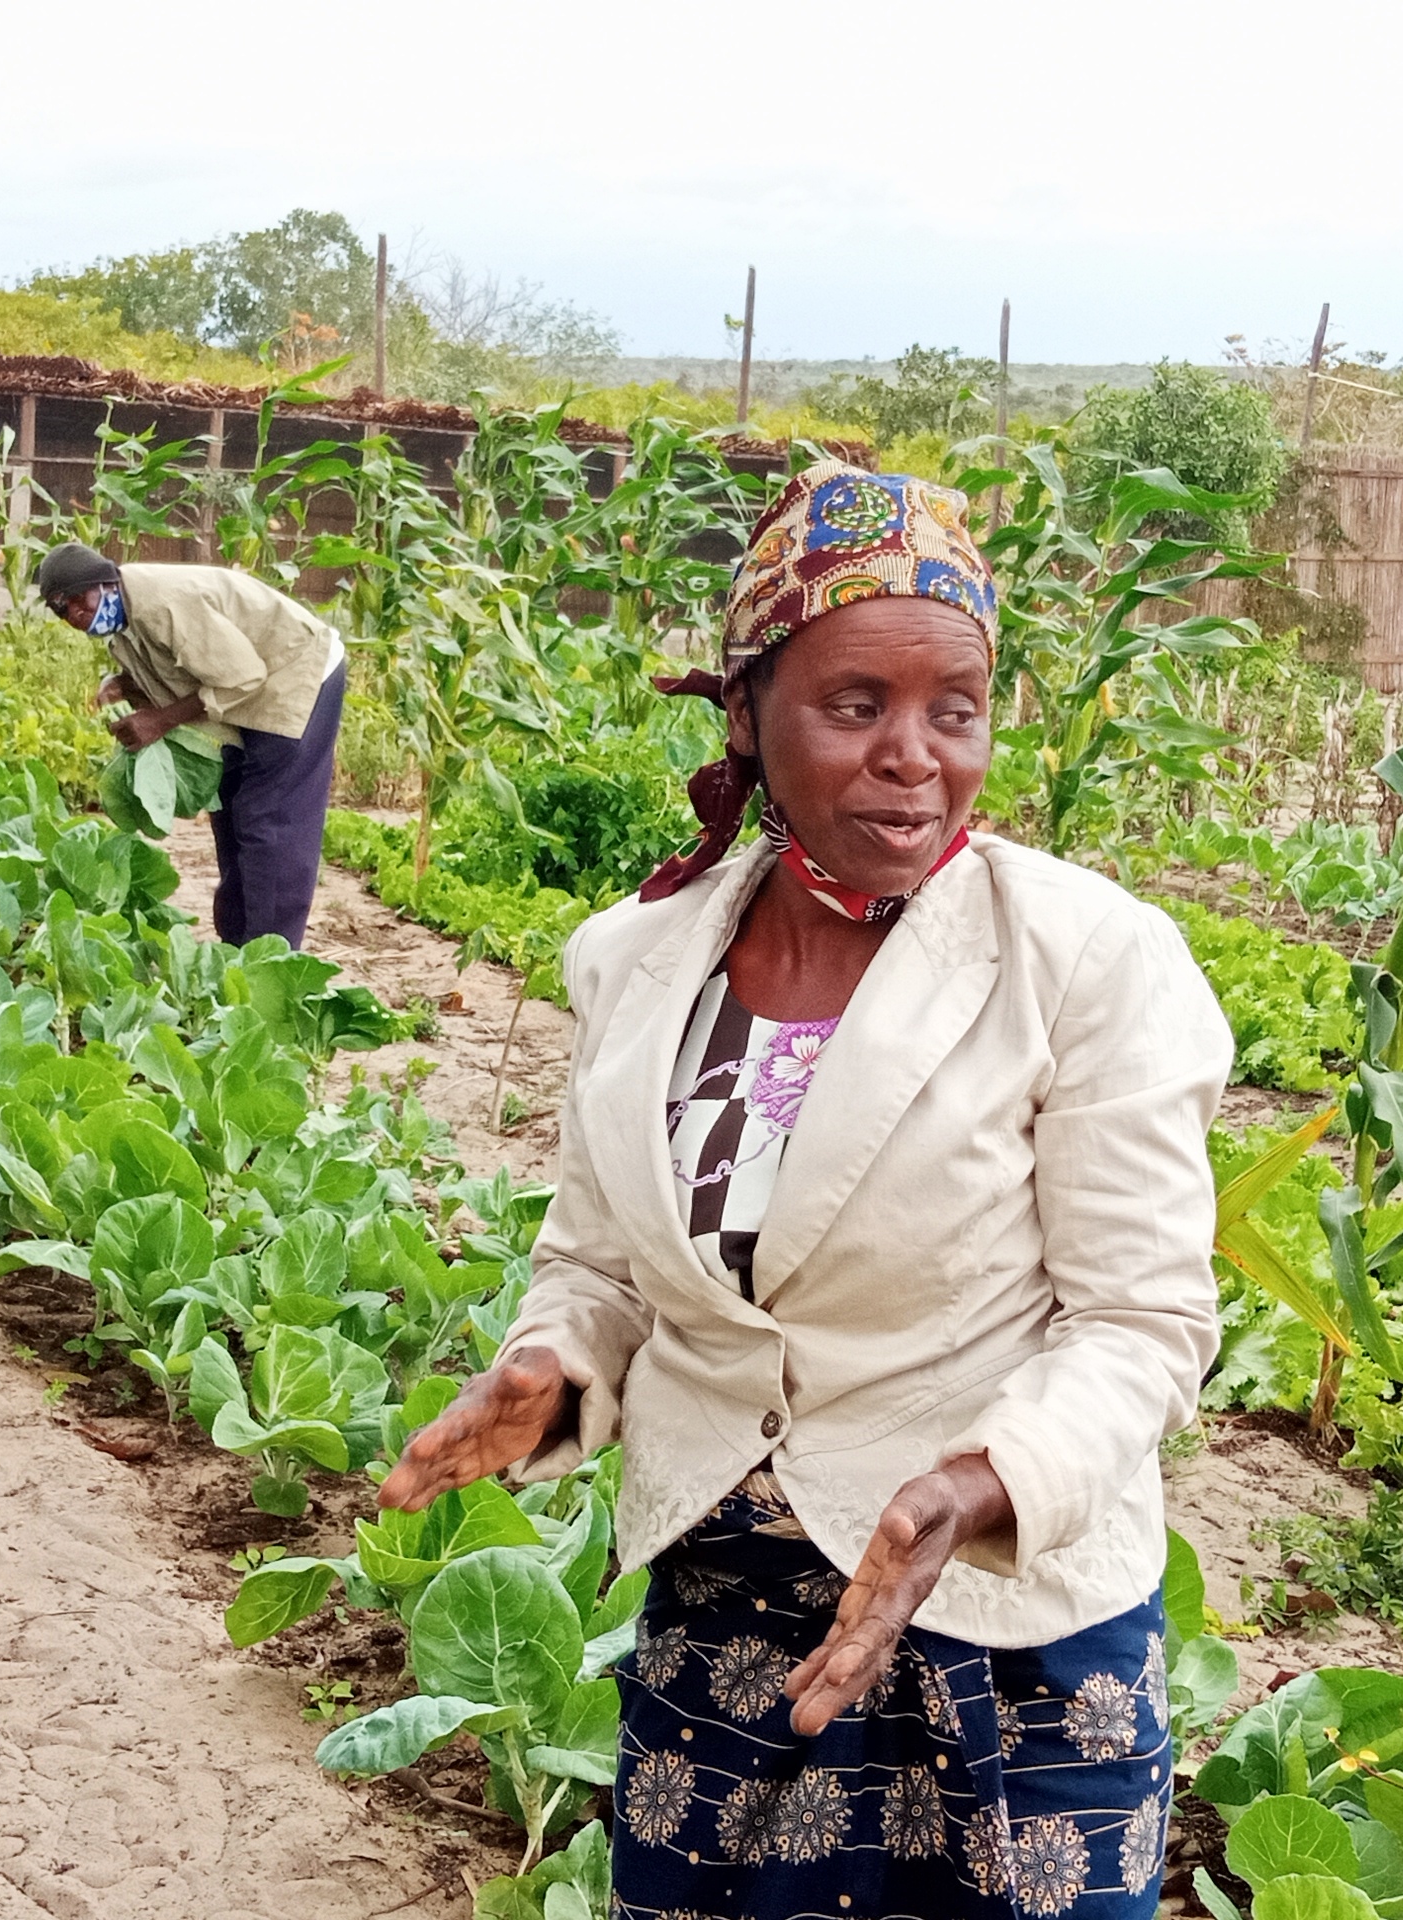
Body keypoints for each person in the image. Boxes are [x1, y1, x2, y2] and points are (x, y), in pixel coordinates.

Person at [378, 463, 1232, 1918]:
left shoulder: (1087, 957)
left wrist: (971, 1486)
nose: (916, 755)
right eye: (856, 706)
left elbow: (1141, 1319)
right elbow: (598, 1263)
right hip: (721, 1636)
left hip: (1001, 1638)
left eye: (952, 710)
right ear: (747, 714)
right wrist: (547, 1365)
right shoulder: (635, 962)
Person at [34, 542, 348, 946]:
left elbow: (242, 677)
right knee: (230, 808)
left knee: (267, 820)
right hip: (252, 696)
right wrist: (128, 685)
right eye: (64, 610)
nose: (77, 613)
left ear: (106, 581)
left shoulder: (162, 603)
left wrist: (159, 722)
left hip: (297, 674)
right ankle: (238, 946)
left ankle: (272, 956)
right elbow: (183, 668)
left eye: (82, 599)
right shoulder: (123, 620)